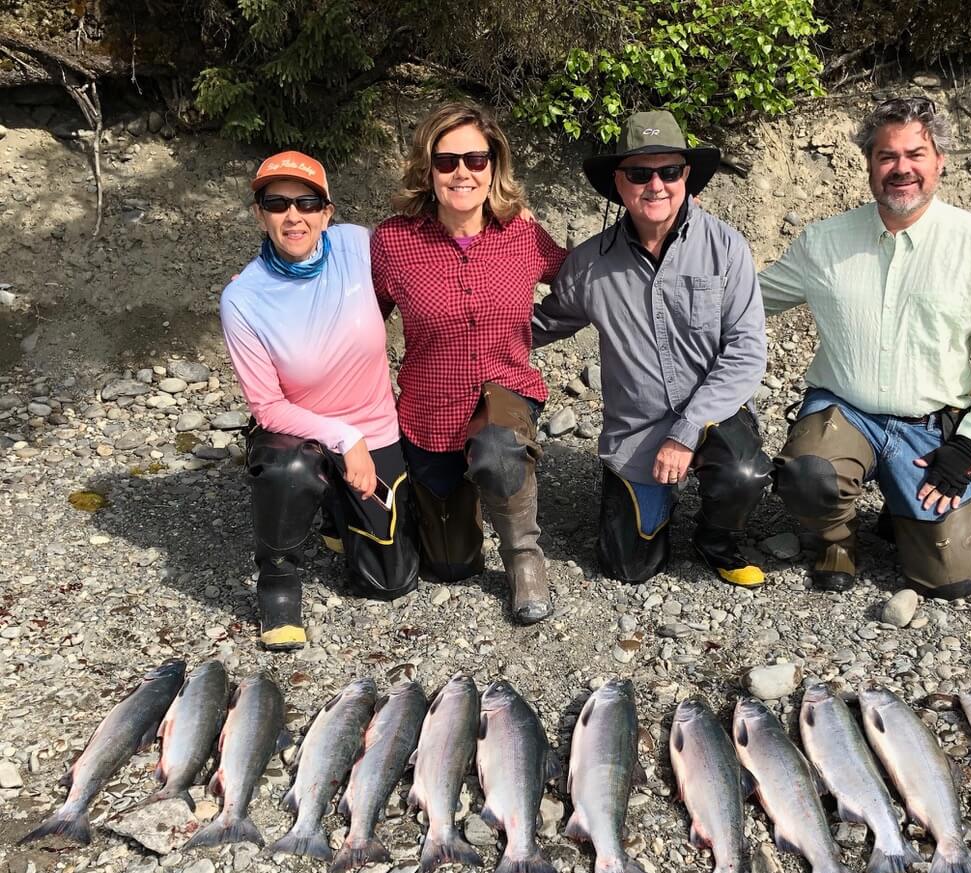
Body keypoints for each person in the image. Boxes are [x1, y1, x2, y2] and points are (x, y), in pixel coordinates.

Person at [759, 96, 971, 598]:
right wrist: (675, 278)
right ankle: (837, 540)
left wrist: (970, 446)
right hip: (845, 411)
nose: (901, 169)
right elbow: (749, 299)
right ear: (868, 162)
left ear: (940, 162)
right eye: (887, 156)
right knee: (807, 476)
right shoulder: (823, 241)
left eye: (916, 154)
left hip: (930, 424)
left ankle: (900, 502)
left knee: (955, 581)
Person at [534, 110, 771, 588]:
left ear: (686, 176)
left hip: (712, 418)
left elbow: (746, 353)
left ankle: (716, 540)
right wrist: (462, 334)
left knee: (745, 475)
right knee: (627, 569)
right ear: (618, 185)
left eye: (669, 171)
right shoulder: (587, 265)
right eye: (640, 174)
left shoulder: (727, 247)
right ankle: (652, 503)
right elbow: (540, 325)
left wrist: (684, 433)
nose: (656, 185)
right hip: (635, 433)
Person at [371, 102, 567, 625]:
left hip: (504, 393)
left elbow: (582, 279)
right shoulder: (393, 241)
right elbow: (358, 321)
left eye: (476, 160)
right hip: (429, 411)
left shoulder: (521, 233)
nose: (463, 172)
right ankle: (458, 501)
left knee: (498, 448)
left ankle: (524, 555)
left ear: (494, 166)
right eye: (447, 161)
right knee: (451, 565)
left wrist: (540, 327)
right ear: (427, 169)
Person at [221, 151, 419, 652]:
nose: (294, 216)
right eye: (278, 203)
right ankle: (278, 577)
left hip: (376, 427)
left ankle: (336, 507)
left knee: (390, 581)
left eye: (308, 202)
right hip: (300, 433)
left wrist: (507, 217)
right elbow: (267, 407)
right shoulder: (243, 298)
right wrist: (342, 437)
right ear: (259, 213)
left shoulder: (358, 244)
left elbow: (431, 239)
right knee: (289, 470)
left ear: (327, 211)